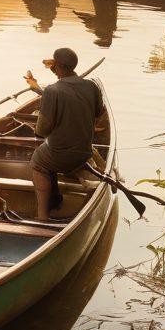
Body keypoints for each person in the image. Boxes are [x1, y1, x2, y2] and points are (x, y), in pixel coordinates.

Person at [24, 48, 104, 221]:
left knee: (38, 161)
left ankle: (43, 215)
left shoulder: (53, 91)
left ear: (56, 67)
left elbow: (42, 131)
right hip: (85, 152)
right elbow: (99, 114)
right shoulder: (92, 86)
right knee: (51, 152)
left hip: (61, 155)